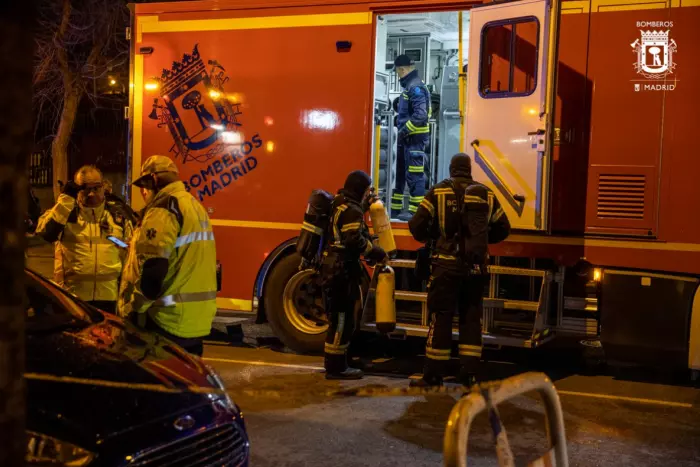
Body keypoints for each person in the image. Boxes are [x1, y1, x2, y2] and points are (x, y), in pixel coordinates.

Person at [407, 153, 511, 387]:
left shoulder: (438, 192)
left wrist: (434, 237)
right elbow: (504, 228)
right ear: (469, 170)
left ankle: (434, 374)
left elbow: (416, 226)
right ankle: (469, 374)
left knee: (441, 318)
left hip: (445, 266)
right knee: (471, 319)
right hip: (475, 268)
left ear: (452, 169)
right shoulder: (487, 193)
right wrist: (480, 241)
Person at [118, 155, 217, 356]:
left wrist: (134, 308)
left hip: (167, 321)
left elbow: (154, 271)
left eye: (144, 187)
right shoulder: (193, 205)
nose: (144, 193)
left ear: (154, 180)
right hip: (195, 321)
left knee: (159, 382)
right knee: (188, 382)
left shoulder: (164, 207)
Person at [35, 165, 133, 313]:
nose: (92, 194)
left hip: (109, 298)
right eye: (85, 189)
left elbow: (129, 252)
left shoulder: (118, 217)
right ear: (76, 190)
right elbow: (46, 234)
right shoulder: (65, 213)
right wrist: (66, 199)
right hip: (73, 298)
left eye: (96, 188)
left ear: (104, 187)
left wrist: (127, 296)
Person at [322, 170, 387, 379]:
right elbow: (353, 240)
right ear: (359, 189)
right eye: (366, 190)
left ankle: (339, 360)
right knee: (342, 319)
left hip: (334, 267)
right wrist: (375, 251)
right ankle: (336, 367)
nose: (368, 194)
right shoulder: (352, 210)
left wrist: (365, 206)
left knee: (340, 317)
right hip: (341, 270)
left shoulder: (340, 203)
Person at [391, 54, 432, 221]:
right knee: (399, 173)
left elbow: (420, 116)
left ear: (401, 69)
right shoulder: (410, 86)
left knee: (414, 175)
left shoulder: (415, 87)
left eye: (397, 72)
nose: (398, 75)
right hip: (406, 139)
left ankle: (416, 212)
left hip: (413, 139)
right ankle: (395, 209)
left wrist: (402, 132)